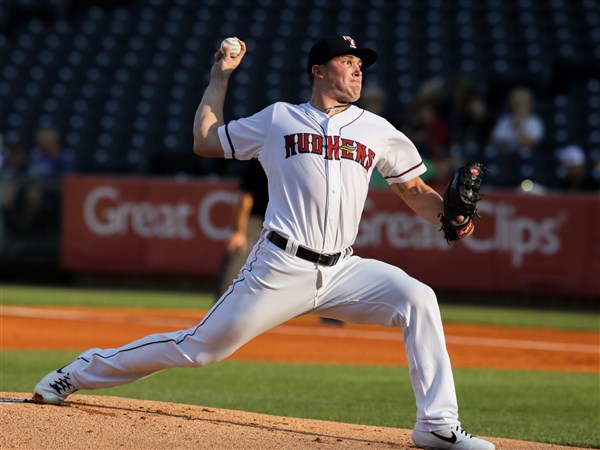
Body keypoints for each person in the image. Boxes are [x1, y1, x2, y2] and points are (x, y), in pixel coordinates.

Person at [33, 36, 495, 450]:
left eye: (361, 64)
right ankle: (79, 370)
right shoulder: (279, 118)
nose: (357, 69)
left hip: (343, 270)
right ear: (318, 70)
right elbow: (206, 141)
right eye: (347, 60)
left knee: (417, 297)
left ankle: (436, 424)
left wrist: (451, 219)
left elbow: (414, 192)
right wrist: (219, 77)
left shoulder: (377, 129)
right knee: (200, 349)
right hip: (280, 265)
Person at [214, 158, 268, 299]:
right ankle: (223, 300)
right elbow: (245, 197)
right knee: (238, 249)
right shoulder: (262, 160)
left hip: (282, 217)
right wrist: (239, 231)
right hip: (256, 216)